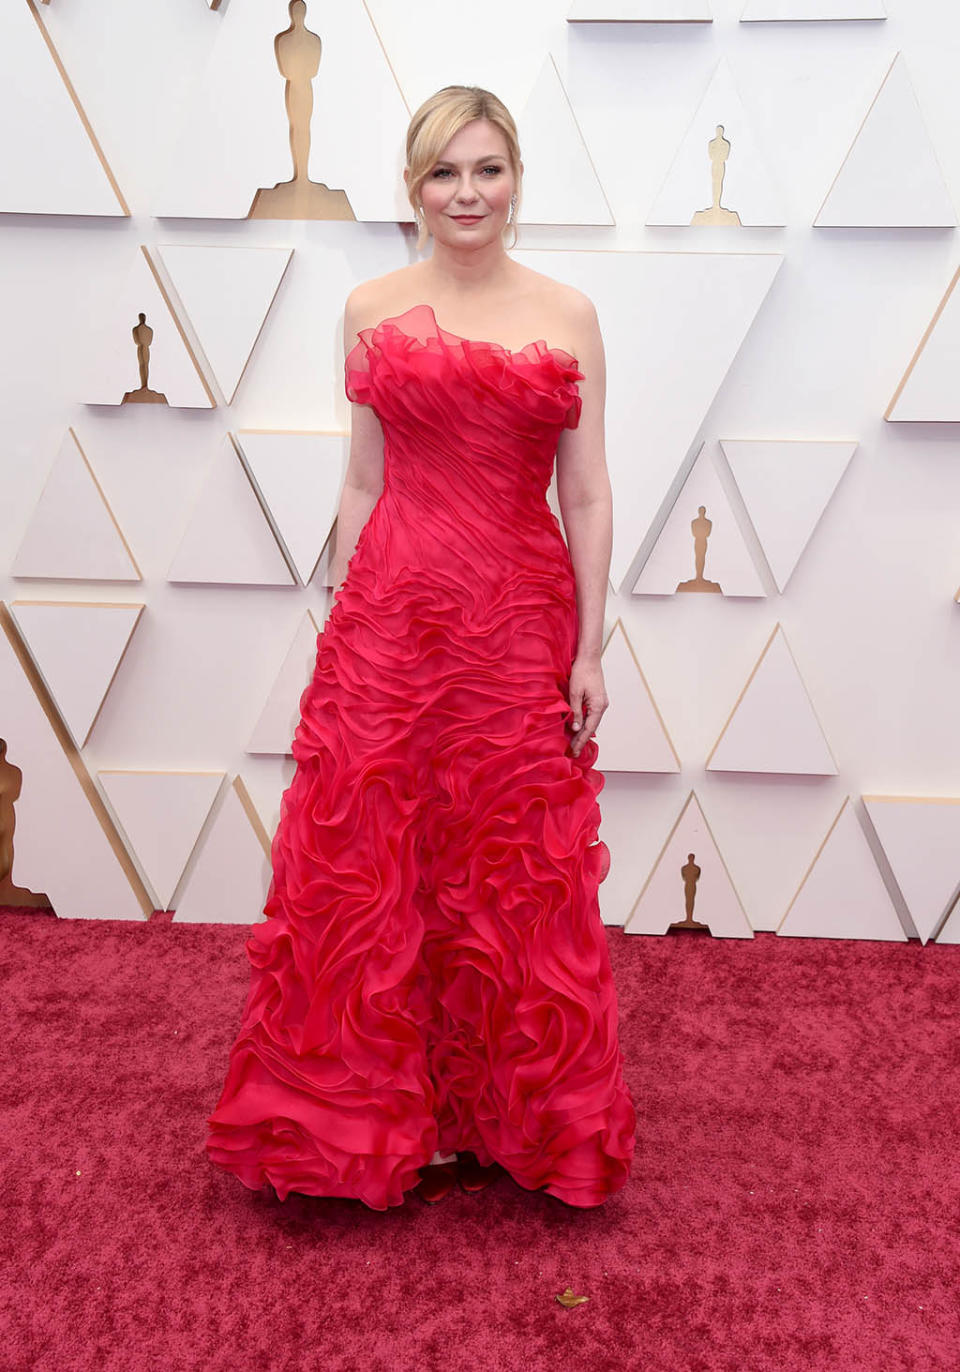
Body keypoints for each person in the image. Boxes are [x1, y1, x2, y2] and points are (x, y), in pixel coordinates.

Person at [205, 85, 637, 1211]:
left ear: (517, 180)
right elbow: (361, 480)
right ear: (413, 187)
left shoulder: (571, 313)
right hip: (393, 620)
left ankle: (501, 1111)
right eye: (445, 172)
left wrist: (589, 647)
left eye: (487, 169)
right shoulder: (369, 306)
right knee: (374, 870)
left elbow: (585, 496)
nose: (467, 193)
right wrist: (352, 621)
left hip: (515, 621)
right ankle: (372, 1112)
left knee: (509, 873)